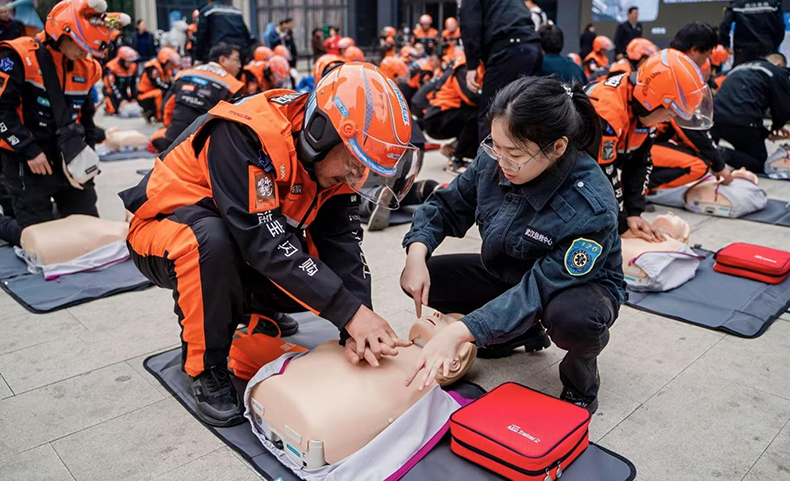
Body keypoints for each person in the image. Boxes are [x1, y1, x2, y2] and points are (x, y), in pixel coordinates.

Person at [119, 63, 418, 427]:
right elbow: (264, 242)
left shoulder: (334, 160)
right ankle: (205, 368)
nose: (357, 178)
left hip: (241, 236)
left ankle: (248, 309)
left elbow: (343, 245)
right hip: (162, 232)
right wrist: (351, 314)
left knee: (321, 283)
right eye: (355, 164)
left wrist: (356, 325)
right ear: (320, 133)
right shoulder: (245, 133)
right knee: (212, 241)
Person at [400, 76, 626, 413]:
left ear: (558, 148)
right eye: (496, 146)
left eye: (515, 154)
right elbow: (448, 205)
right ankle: (520, 332)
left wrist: (459, 332)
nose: (501, 163)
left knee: (575, 319)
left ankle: (581, 382)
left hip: (575, 287)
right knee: (430, 278)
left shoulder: (589, 206)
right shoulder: (496, 157)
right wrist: (416, 252)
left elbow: (539, 289)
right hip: (511, 269)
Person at [0, 0, 121, 246]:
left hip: (68, 157)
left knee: (90, 232)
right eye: (80, 45)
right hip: (28, 158)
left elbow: (86, 118)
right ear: (61, 34)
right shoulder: (18, 56)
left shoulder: (88, 67)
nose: (84, 53)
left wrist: (88, 156)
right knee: (42, 241)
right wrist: (30, 151)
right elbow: (2, 111)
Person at [586, 49, 712, 241]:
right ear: (651, 101)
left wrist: (634, 212)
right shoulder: (608, 111)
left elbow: (640, 161)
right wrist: (620, 223)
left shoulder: (643, 109)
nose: (669, 119)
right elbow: (600, 175)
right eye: (670, 114)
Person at [647, 23, 732, 191]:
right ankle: (640, 189)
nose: (704, 63)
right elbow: (690, 127)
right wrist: (719, 164)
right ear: (694, 50)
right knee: (698, 165)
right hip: (640, 142)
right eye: (706, 55)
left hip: (636, 137)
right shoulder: (677, 73)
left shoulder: (661, 61)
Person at [460, 0, 543, 141]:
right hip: (531, 47)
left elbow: (470, 24)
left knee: (492, 114)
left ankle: (489, 162)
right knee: (525, 113)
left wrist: (472, 64)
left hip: (508, 50)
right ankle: (526, 161)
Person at [151, 43, 244, 153]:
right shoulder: (232, 85)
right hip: (206, 147)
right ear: (222, 59)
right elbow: (238, 122)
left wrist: (170, 129)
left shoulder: (184, 74)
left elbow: (166, 107)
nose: (239, 65)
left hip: (174, 140)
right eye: (236, 60)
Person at [712, 52, 790, 174]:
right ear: (779, 64)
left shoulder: (739, 68)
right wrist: (778, 125)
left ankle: (711, 152)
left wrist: (767, 133)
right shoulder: (776, 71)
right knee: (759, 164)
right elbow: (783, 104)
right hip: (742, 122)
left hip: (715, 117)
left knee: (745, 145)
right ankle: (721, 153)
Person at [419, 53, 480, 175]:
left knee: (477, 117)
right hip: (436, 117)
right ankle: (456, 160)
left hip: (439, 113)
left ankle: (452, 148)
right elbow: (471, 98)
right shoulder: (462, 68)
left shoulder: (464, 65)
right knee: (475, 118)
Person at [719, 0, 783, 66]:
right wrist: (773, 46)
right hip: (766, 48)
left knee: (741, 74)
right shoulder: (773, 4)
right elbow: (780, 27)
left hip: (743, 50)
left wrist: (726, 45)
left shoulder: (737, 4)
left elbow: (724, 25)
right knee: (765, 73)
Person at [137, 47, 180, 122]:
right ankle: (159, 116)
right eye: (171, 63)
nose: (172, 66)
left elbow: (171, 84)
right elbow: (156, 83)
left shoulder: (167, 71)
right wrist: (170, 89)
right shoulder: (152, 67)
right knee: (160, 93)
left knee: (169, 93)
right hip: (144, 95)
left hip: (153, 93)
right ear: (164, 61)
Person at [103, 46, 139, 115]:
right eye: (128, 61)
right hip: (111, 91)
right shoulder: (111, 67)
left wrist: (134, 98)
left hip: (123, 89)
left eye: (131, 61)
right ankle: (107, 104)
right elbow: (112, 85)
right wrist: (121, 100)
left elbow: (133, 84)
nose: (130, 63)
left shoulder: (133, 66)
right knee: (113, 110)